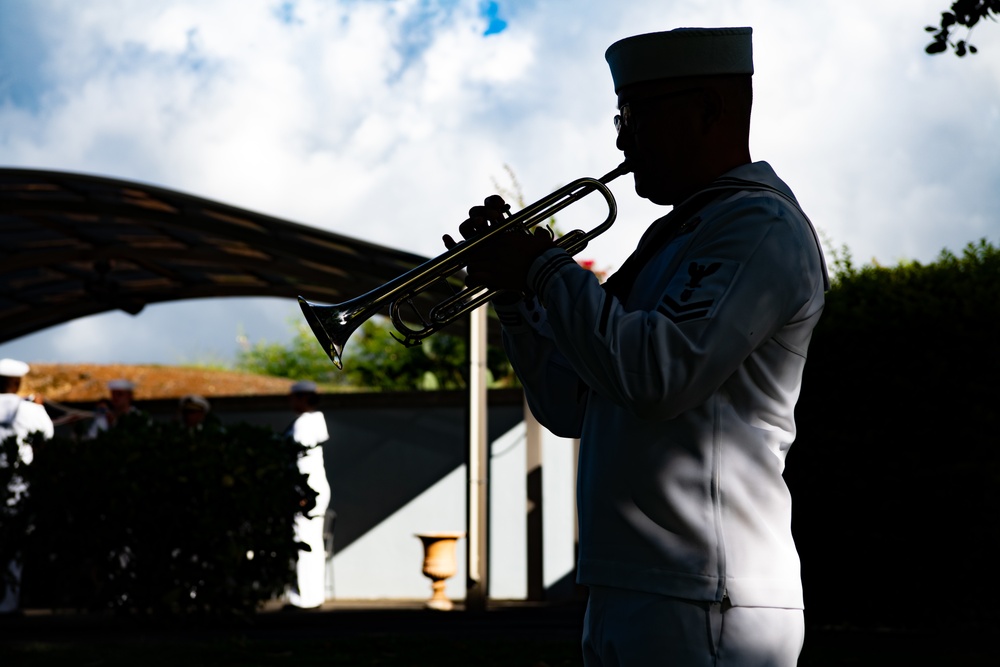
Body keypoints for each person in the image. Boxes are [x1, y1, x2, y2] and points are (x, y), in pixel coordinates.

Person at [445, 27, 828, 667]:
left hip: (709, 591)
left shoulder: (757, 225)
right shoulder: (677, 236)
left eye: (636, 115)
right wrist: (515, 299)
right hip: (635, 582)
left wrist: (541, 268)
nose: (622, 139)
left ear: (707, 108)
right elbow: (569, 405)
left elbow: (658, 377)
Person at [0, 358, 55, 614]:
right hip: (17, 484)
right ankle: (8, 603)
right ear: (17, 382)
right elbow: (45, 441)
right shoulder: (30, 410)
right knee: (14, 544)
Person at [284, 380, 331, 609]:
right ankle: (311, 596)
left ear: (302, 398)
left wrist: (302, 492)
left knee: (304, 542)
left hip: (307, 489)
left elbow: (301, 459)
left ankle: (304, 598)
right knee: (311, 542)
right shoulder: (314, 420)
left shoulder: (305, 422)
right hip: (312, 488)